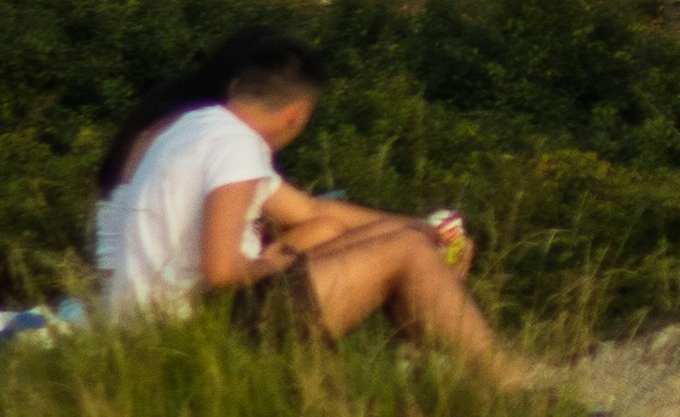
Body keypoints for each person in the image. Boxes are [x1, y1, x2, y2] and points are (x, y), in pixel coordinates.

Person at [86, 29, 506, 375]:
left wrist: (421, 227)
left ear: (235, 89)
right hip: (194, 328)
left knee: (396, 238)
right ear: (297, 113)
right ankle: (505, 378)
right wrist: (279, 262)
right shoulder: (237, 147)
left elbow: (311, 211)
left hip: (147, 323)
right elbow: (222, 271)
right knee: (405, 251)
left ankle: (446, 367)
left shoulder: (195, 127)